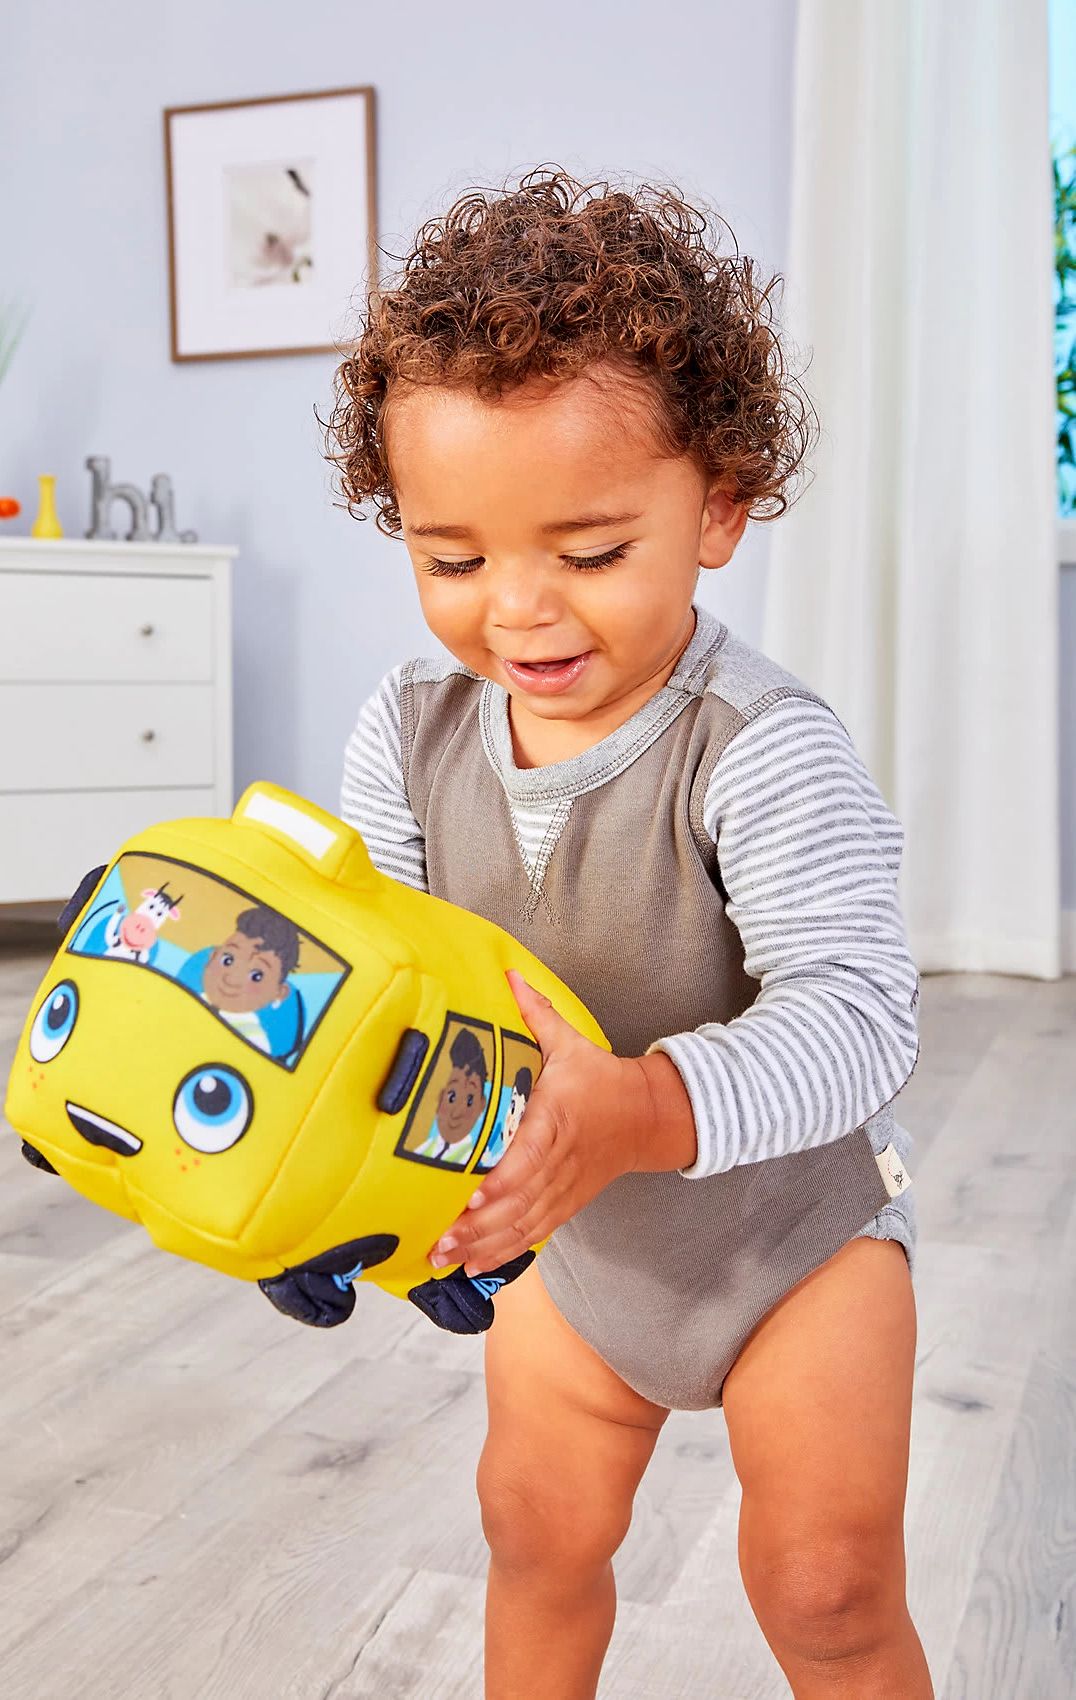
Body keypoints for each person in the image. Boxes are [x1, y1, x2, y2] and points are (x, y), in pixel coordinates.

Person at [336, 171, 932, 1700]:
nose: (518, 612)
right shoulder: (406, 733)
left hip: (789, 1252)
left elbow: (859, 1013)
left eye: (589, 554)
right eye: (452, 559)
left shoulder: (760, 747)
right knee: (532, 1535)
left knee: (824, 1590)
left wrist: (639, 1108)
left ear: (717, 506)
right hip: (584, 1258)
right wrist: (331, 1183)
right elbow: (370, 986)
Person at [178, 904, 304, 1059]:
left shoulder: (252, 1040)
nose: (232, 980)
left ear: (279, 993)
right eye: (228, 960)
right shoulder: (188, 1001)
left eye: (256, 976)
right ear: (213, 956)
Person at [410, 1026, 491, 1165]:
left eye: (470, 1100)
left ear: (482, 1105)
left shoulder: (471, 1158)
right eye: (451, 1097)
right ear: (441, 1097)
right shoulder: (425, 1147)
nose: (456, 1113)